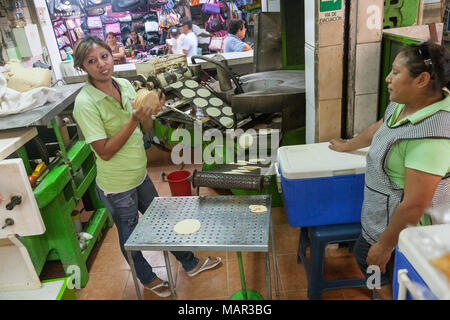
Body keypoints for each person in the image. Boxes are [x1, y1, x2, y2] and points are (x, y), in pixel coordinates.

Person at [72, 35, 222, 298]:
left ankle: (189, 263)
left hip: (139, 174)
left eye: (104, 56)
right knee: (131, 235)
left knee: (163, 222)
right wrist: (134, 119)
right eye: (92, 61)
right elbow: (104, 152)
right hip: (117, 185)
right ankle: (147, 278)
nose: (102, 65)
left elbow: (145, 130)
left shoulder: (125, 85)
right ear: (83, 67)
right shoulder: (85, 103)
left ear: (112, 55)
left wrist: (150, 114)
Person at [329, 41, 450, 300]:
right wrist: (348, 145)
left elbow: (415, 205)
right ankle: (380, 291)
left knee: (376, 263)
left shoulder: (432, 138)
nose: (388, 78)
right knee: (368, 261)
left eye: (395, 72)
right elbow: (382, 126)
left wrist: (384, 246)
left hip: (407, 232)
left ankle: (386, 294)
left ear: (422, 80)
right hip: (380, 218)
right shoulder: (404, 103)